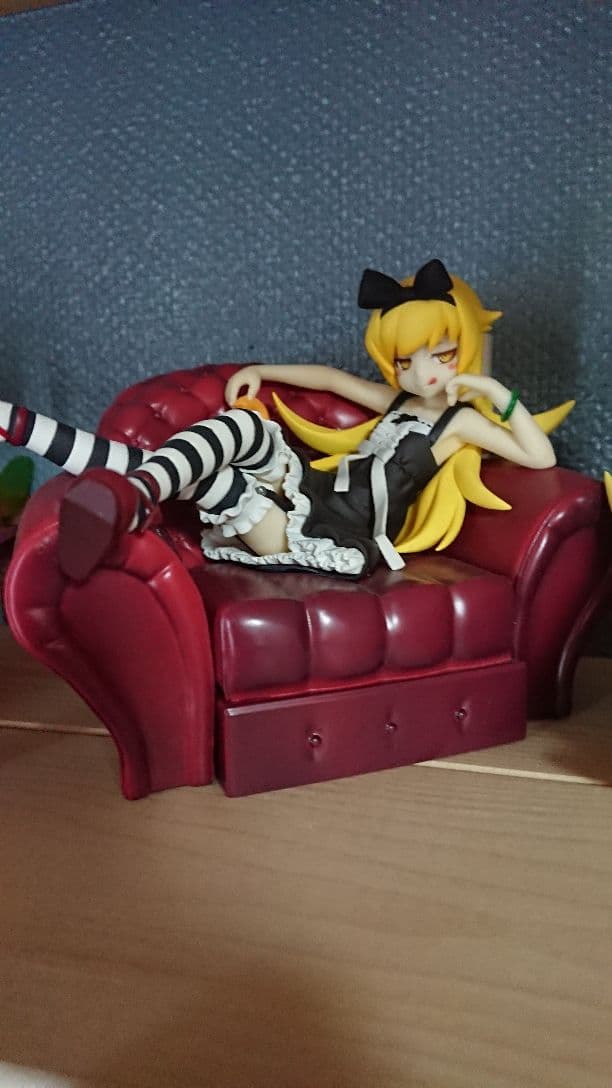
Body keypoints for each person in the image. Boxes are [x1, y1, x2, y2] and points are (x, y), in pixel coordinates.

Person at [0, 259, 570, 581]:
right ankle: (102, 471)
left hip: (335, 531)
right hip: (313, 487)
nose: (422, 374)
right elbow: (330, 378)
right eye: (404, 361)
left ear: (464, 346)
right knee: (243, 427)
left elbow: (539, 455)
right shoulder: (396, 402)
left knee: (222, 484)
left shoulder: (461, 424)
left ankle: (118, 482)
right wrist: (261, 369)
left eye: (440, 355)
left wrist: (494, 391)